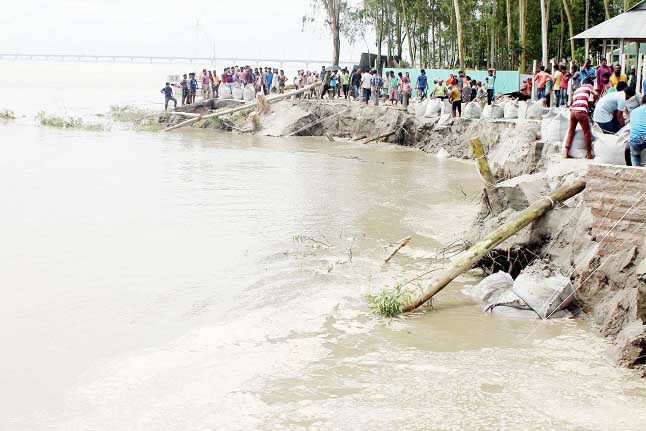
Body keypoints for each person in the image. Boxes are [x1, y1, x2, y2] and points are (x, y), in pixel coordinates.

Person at [564, 77, 595, 159]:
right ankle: (589, 154)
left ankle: (566, 152)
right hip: (581, 112)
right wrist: (594, 102)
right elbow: (595, 93)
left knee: (571, 131)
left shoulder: (577, 90)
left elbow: (571, 102)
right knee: (587, 133)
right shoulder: (589, 86)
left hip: (573, 112)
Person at [628, 95, 646, 167]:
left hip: (635, 139)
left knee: (634, 155)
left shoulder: (633, 111)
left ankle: (636, 170)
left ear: (642, 102)